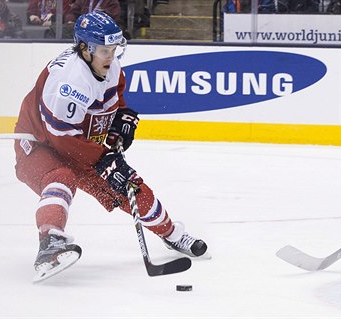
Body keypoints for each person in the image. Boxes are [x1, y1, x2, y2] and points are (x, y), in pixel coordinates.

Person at [13, 11, 207, 282]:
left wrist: (121, 119)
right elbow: (61, 137)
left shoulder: (108, 66)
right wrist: (104, 159)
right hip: (38, 145)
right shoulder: (70, 81)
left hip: (78, 146)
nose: (111, 56)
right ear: (84, 49)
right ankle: (50, 245)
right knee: (62, 178)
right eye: (105, 50)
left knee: (128, 184)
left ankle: (172, 234)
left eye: (114, 49)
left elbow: (113, 99)